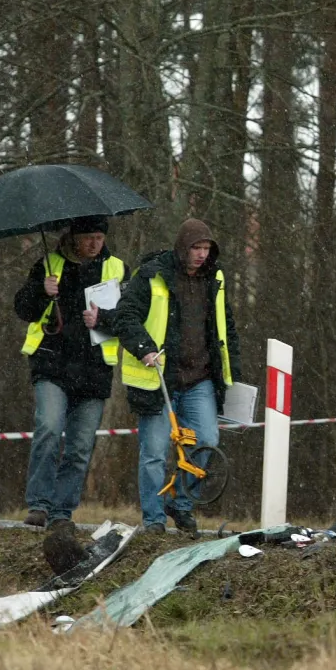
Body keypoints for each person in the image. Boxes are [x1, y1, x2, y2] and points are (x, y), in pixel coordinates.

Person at [114, 219, 241, 536]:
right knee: (154, 453)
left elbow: (226, 328)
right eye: (196, 248)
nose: (201, 254)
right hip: (159, 379)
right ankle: (154, 519)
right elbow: (124, 316)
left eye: (206, 248)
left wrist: (232, 370)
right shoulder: (151, 275)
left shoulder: (215, 279)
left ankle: (179, 502)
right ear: (183, 248)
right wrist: (144, 347)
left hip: (200, 379)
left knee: (207, 442)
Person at [13, 215, 125, 530]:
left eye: (99, 238)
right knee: (48, 429)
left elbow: (130, 317)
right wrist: (41, 291)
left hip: (94, 370)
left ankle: (62, 512)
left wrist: (103, 320)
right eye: (88, 237)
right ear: (74, 237)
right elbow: (22, 309)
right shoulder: (48, 263)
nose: (94, 244)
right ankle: (39, 504)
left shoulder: (117, 269)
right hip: (52, 362)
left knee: (80, 446)